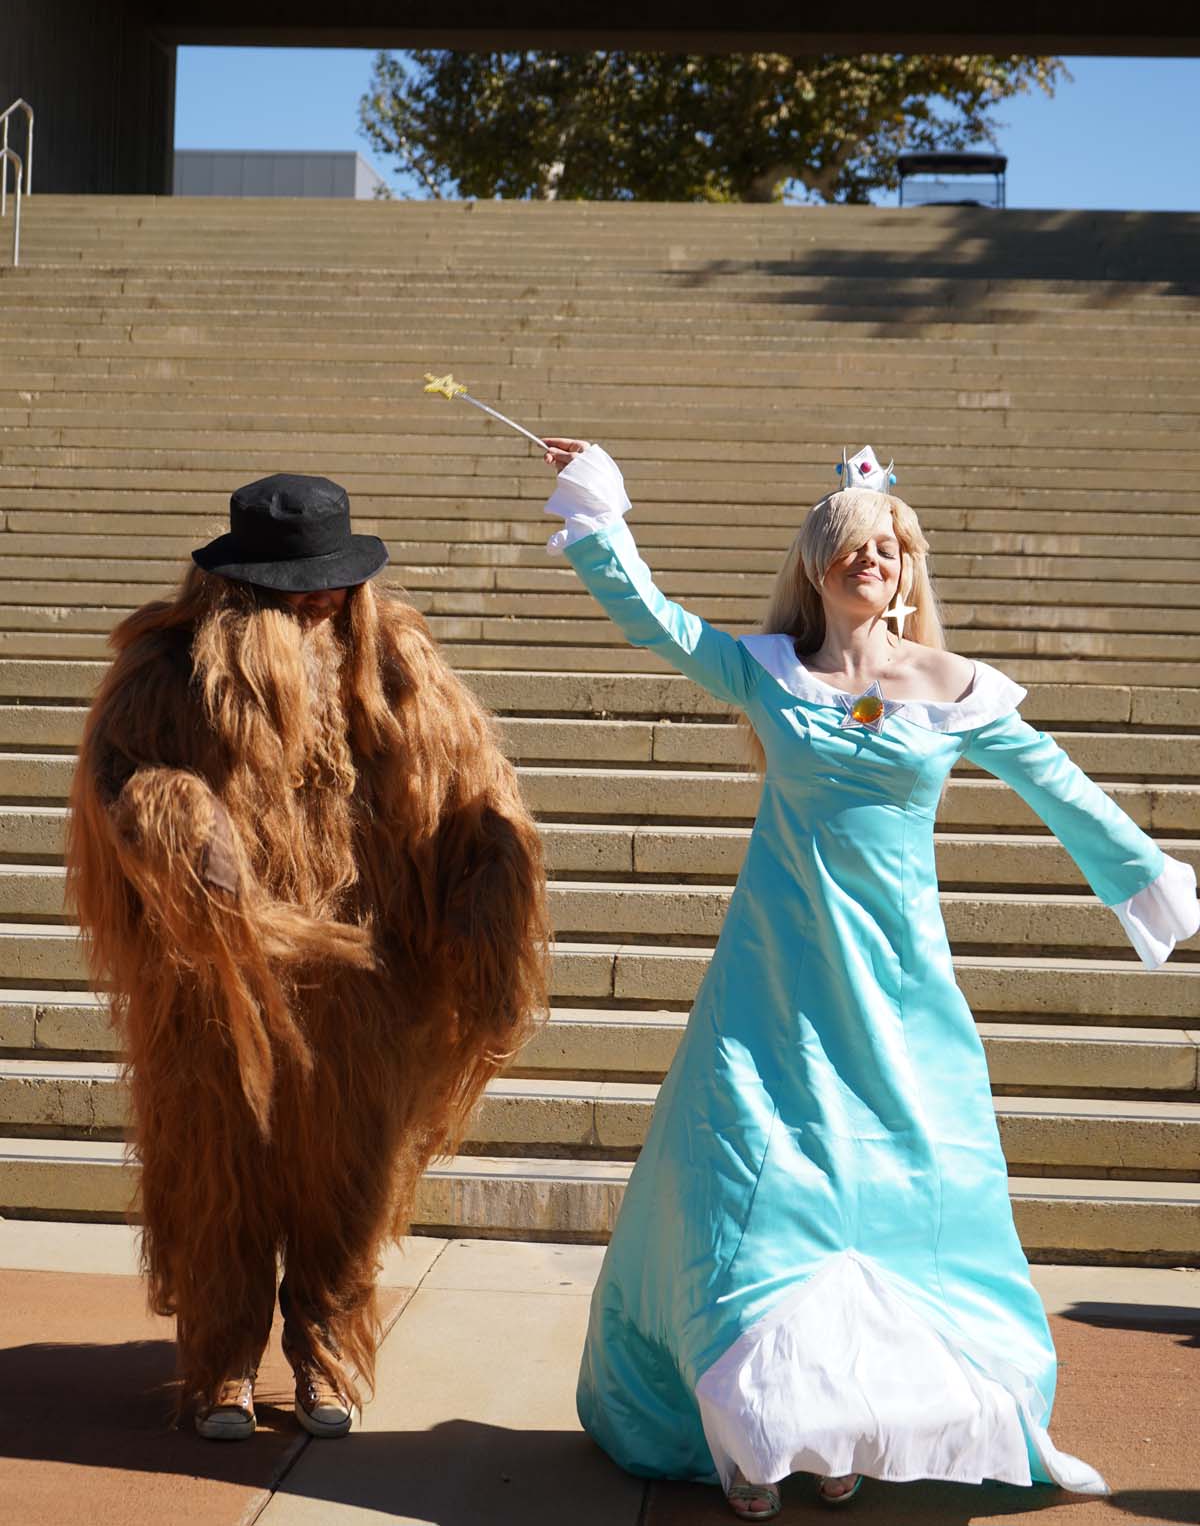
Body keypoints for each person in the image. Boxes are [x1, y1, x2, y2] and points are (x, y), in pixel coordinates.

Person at [539, 438, 1199, 1517]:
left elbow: (1059, 783)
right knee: (759, 1194)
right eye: (851, 546)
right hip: (773, 978)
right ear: (817, 563)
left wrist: (1147, 877)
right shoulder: (765, 669)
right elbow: (656, 622)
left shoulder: (950, 686)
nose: (871, 560)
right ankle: (755, 1429)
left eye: (888, 548)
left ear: (908, 569)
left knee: (896, 1196)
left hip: (898, 985)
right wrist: (601, 513)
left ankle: (844, 1418)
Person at [66, 474, 548, 1440]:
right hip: (216, 986)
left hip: (365, 984)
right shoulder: (170, 669)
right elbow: (117, 781)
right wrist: (179, 820)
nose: (320, 599)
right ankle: (224, 1361)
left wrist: (490, 882)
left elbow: (470, 788)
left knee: (349, 1185)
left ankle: (324, 1349)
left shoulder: (396, 661)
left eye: (333, 581)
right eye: (294, 588)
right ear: (238, 587)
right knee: (217, 1179)